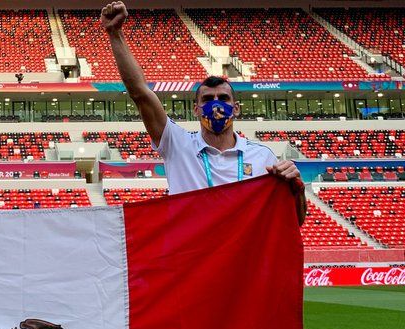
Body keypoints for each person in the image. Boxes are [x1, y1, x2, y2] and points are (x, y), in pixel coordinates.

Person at [101, 1, 305, 223]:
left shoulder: (263, 157)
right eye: (207, 99)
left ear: (236, 109)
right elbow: (140, 93)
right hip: (194, 256)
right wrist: (114, 33)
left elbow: (294, 221)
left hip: (242, 257)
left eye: (223, 98)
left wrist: (298, 191)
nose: (216, 105)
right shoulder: (177, 144)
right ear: (196, 109)